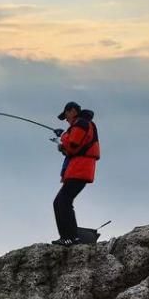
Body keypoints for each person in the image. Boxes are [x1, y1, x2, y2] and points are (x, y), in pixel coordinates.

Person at [52, 101, 100, 246]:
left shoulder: (81, 123)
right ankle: (68, 237)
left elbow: (72, 144)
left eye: (66, 115)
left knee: (62, 202)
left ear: (72, 110)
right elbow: (73, 149)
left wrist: (63, 136)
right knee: (61, 202)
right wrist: (63, 144)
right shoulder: (80, 125)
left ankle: (70, 237)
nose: (66, 119)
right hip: (79, 169)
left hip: (80, 169)